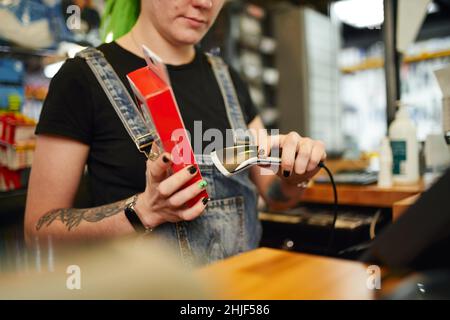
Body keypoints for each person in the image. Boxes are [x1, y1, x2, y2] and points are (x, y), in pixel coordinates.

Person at [24, 0, 326, 264]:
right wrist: (142, 211)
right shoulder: (81, 78)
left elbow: (276, 197)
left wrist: (294, 176)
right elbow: (39, 232)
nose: (205, 3)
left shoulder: (228, 79)